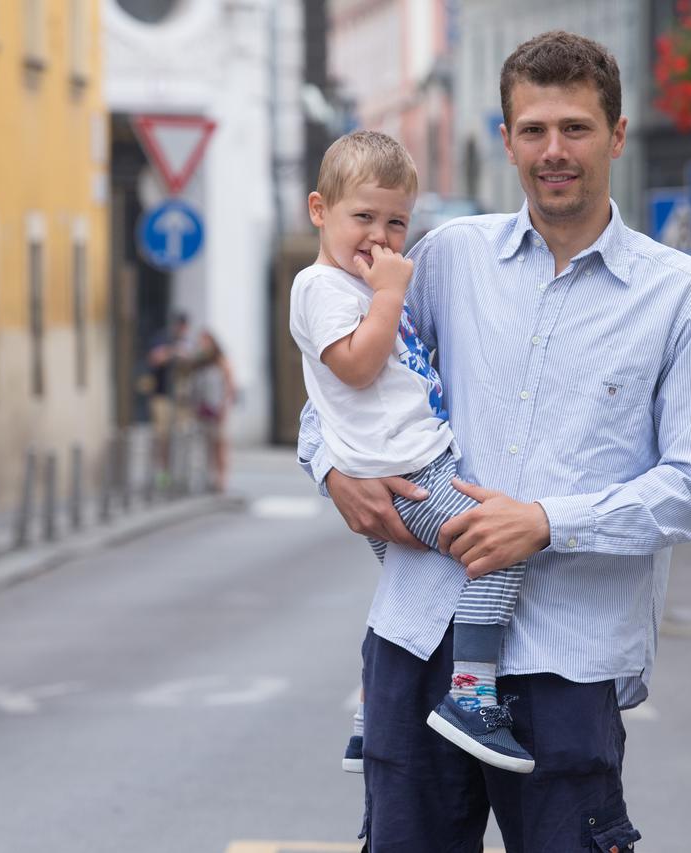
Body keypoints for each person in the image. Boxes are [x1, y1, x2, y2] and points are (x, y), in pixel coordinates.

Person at [297, 31, 691, 852]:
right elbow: (344, 377)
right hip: (417, 638)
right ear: (506, 140)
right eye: (533, 129)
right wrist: (330, 469)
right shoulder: (446, 258)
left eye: (575, 128)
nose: (553, 150)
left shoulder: (682, 296)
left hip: (565, 658)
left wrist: (544, 521)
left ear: (617, 134)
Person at [289, 130, 536, 776]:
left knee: (408, 590)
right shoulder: (323, 288)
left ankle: (370, 716)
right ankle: (471, 696)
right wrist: (390, 294)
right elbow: (356, 367)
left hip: (410, 459)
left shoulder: (356, 285)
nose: (380, 236)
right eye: (363, 217)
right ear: (319, 210)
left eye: (396, 222)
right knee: (499, 548)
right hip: (411, 470)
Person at [146, 312, 192, 479]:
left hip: (180, 399)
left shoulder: (187, 342)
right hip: (162, 395)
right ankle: (162, 473)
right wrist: (173, 352)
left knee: (181, 435)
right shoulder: (163, 338)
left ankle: (180, 472)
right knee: (162, 436)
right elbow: (155, 358)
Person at [191, 328, 236, 493]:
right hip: (202, 409)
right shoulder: (198, 363)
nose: (202, 346)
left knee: (219, 444)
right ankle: (208, 477)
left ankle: (221, 479)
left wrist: (225, 407)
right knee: (205, 445)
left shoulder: (221, 361)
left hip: (218, 409)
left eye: (205, 342)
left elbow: (230, 386)